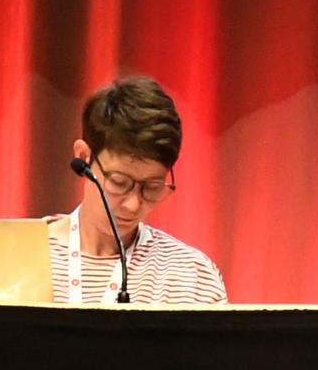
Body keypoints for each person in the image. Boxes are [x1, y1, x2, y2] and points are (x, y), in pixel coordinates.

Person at [51, 73, 229, 305]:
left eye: (152, 187)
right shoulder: (17, 257)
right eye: (119, 182)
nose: (133, 204)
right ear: (83, 157)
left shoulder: (193, 277)